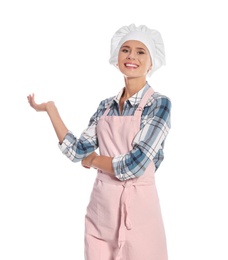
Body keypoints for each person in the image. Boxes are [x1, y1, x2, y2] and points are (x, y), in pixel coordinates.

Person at [27, 23, 171, 260]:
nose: (131, 56)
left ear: (152, 62)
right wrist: (51, 110)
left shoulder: (159, 104)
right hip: (101, 214)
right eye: (125, 50)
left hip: (140, 216)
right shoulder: (105, 106)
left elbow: (135, 164)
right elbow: (77, 152)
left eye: (140, 51)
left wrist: (94, 160)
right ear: (117, 58)